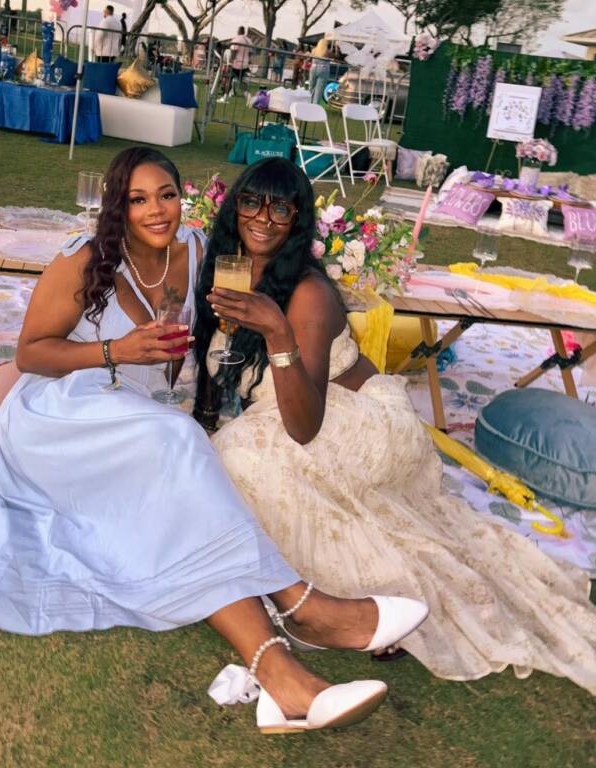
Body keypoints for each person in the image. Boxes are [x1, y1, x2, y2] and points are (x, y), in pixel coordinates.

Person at [0, 146, 428, 736]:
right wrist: (116, 350)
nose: (156, 210)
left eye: (167, 195)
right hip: (61, 416)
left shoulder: (203, 253)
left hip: (138, 419)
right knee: (177, 441)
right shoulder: (81, 260)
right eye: (138, 199)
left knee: (186, 497)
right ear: (117, 206)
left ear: (184, 199)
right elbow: (29, 354)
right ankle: (303, 605)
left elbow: (250, 311)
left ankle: (284, 682)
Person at [194, 157, 596, 697]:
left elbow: (304, 425)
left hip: (354, 417)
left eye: (280, 207)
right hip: (292, 414)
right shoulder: (227, 271)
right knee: (216, 456)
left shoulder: (307, 294)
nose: (263, 217)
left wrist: (276, 332)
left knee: (241, 458)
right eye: (251, 202)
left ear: (297, 220)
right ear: (234, 208)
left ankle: (352, 603)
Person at [308, 35, 333, 103]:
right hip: (323, 70)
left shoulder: (314, 50)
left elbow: (309, 58)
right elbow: (336, 56)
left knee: (311, 88)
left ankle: (308, 102)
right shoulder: (327, 52)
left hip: (313, 68)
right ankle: (315, 105)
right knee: (319, 90)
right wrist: (336, 49)